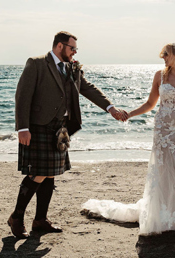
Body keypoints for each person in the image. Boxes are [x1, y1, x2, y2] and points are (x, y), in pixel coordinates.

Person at [82, 41, 175, 235]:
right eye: (163, 55)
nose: (163, 58)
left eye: (166, 54)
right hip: (164, 131)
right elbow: (150, 103)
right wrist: (130, 114)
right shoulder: (160, 76)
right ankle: (169, 210)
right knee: (168, 172)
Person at [8, 31, 128, 239]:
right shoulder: (36, 64)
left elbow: (87, 88)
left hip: (60, 128)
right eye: (72, 48)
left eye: (75, 49)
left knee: (50, 173)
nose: (74, 52)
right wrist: (22, 128)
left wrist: (110, 108)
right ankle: (16, 217)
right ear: (59, 46)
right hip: (38, 126)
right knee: (38, 173)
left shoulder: (72, 67)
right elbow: (22, 95)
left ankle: (40, 220)